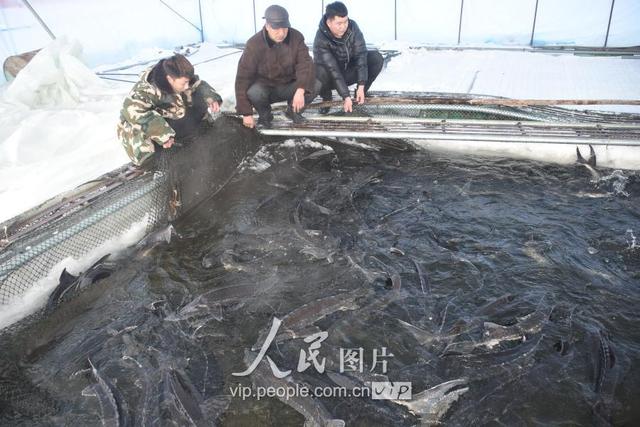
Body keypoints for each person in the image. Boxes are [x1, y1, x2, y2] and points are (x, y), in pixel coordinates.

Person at [117, 54, 222, 166]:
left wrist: (211, 98)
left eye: (187, 82)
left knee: (196, 98)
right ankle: (152, 160)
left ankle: (186, 134)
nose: (186, 86)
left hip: (172, 115)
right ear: (169, 79)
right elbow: (134, 112)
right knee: (153, 159)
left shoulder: (180, 77)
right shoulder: (145, 91)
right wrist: (163, 134)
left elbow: (197, 84)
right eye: (183, 83)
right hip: (139, 127)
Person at [235, 4, 320, 129]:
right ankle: (265, 116)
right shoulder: (254, 44)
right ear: (267, 26)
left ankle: (293, 111)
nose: (282, 33)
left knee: (315, 84)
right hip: (266, 89)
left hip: (289, 85)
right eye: (277, 29)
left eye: (285, 28)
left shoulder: (296, 37)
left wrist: (301, 89)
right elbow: (242, 78)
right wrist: (246, 113)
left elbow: (305, 64)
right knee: (254, 92)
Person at [313, 1, 384, 113]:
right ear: (329, 22)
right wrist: (346, 96)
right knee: (318, 71)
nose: (343, 27)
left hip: (348, 72)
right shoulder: (320, 39)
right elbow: (333, 70)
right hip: (330, 79)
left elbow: (361, 55)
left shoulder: (353, 27)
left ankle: (360, 94)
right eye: (339, 23)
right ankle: (326, 99)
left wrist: (361, 84)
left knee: (376, 58)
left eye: (345, 22)